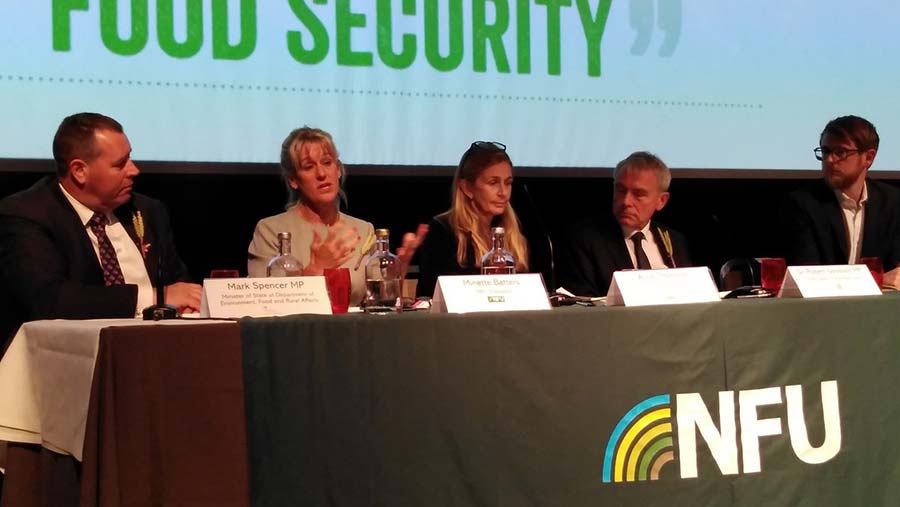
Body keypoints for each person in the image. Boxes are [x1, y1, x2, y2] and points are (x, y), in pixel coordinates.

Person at [0, 113, 201, 352]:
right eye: (120, 164)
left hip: (160, 351)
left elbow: (181, 286)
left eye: (130, 158)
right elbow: (51, 300)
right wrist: (155, 298)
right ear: (79, 171)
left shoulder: (147, 210)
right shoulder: (28, 214)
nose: (134, 170)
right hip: (71, 358)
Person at [248, 127, 426, 304]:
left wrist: (398, 270)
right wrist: (316, 268)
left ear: (338, 169)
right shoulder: (271, 231)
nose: (321, 174)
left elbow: (379, 304)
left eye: (327, 162)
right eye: (309, 167)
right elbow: (264, 303)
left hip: (353, 330)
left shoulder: (364, 230)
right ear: (293, 180)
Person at [781, 115, 900, 287]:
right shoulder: (803, 204)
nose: (829, 160)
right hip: (824, 309)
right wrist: (876, 280)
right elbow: (807, 276)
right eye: (826, 151)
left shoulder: (892, 202)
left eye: (840, 152)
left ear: (868, 157)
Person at [558, 151, 691, 296]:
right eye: (620, 190)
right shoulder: (585, 239)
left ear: (661, 201)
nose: (626, 202)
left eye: (638, 194)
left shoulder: (674, 240)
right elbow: (581, 302)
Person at [416, 141, 529, 297]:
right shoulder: (443, 230)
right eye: (493, 183)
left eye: (508, 183)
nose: (503, 192)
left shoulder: (511, 233)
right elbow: (434, 296)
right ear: (467, 188)